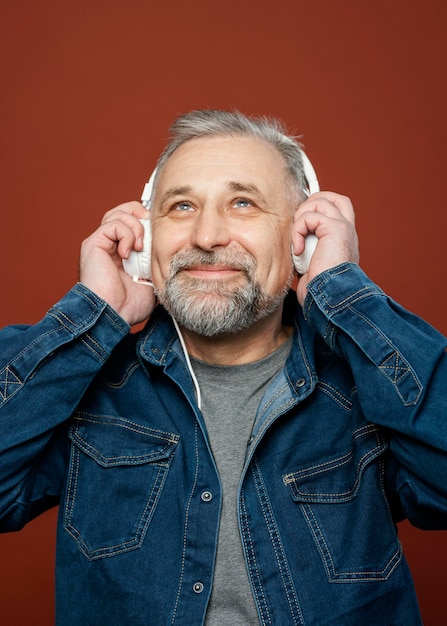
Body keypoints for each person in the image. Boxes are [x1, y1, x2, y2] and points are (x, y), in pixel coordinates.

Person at [0, 109, 446, 626]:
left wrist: (343, 294)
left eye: (243, 203)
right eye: (182, 206)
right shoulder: (89, 388)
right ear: (146, 244)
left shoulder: (368, 384)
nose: (207, 235)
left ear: (302, 240)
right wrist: (93, 315)